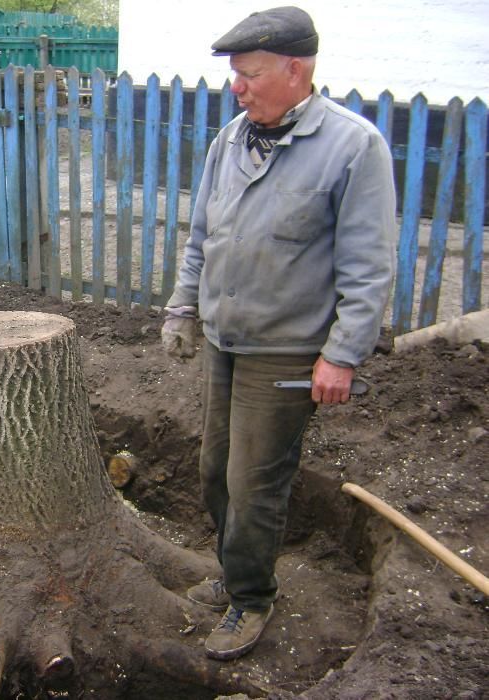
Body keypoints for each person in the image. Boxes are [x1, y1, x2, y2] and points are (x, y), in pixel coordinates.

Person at [161, 6, 396, 660]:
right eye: (234, 75)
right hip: (225, 338)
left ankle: (251, 597)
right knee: (212, 470)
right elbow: (201, 236)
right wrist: (183, 308)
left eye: (249, 74)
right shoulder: (230, 139)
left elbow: (368, 264)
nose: (236, 87)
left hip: (286, 348)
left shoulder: (352, 148)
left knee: (253, 481)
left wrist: (341, 355)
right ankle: (235, 571)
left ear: (295, 70)